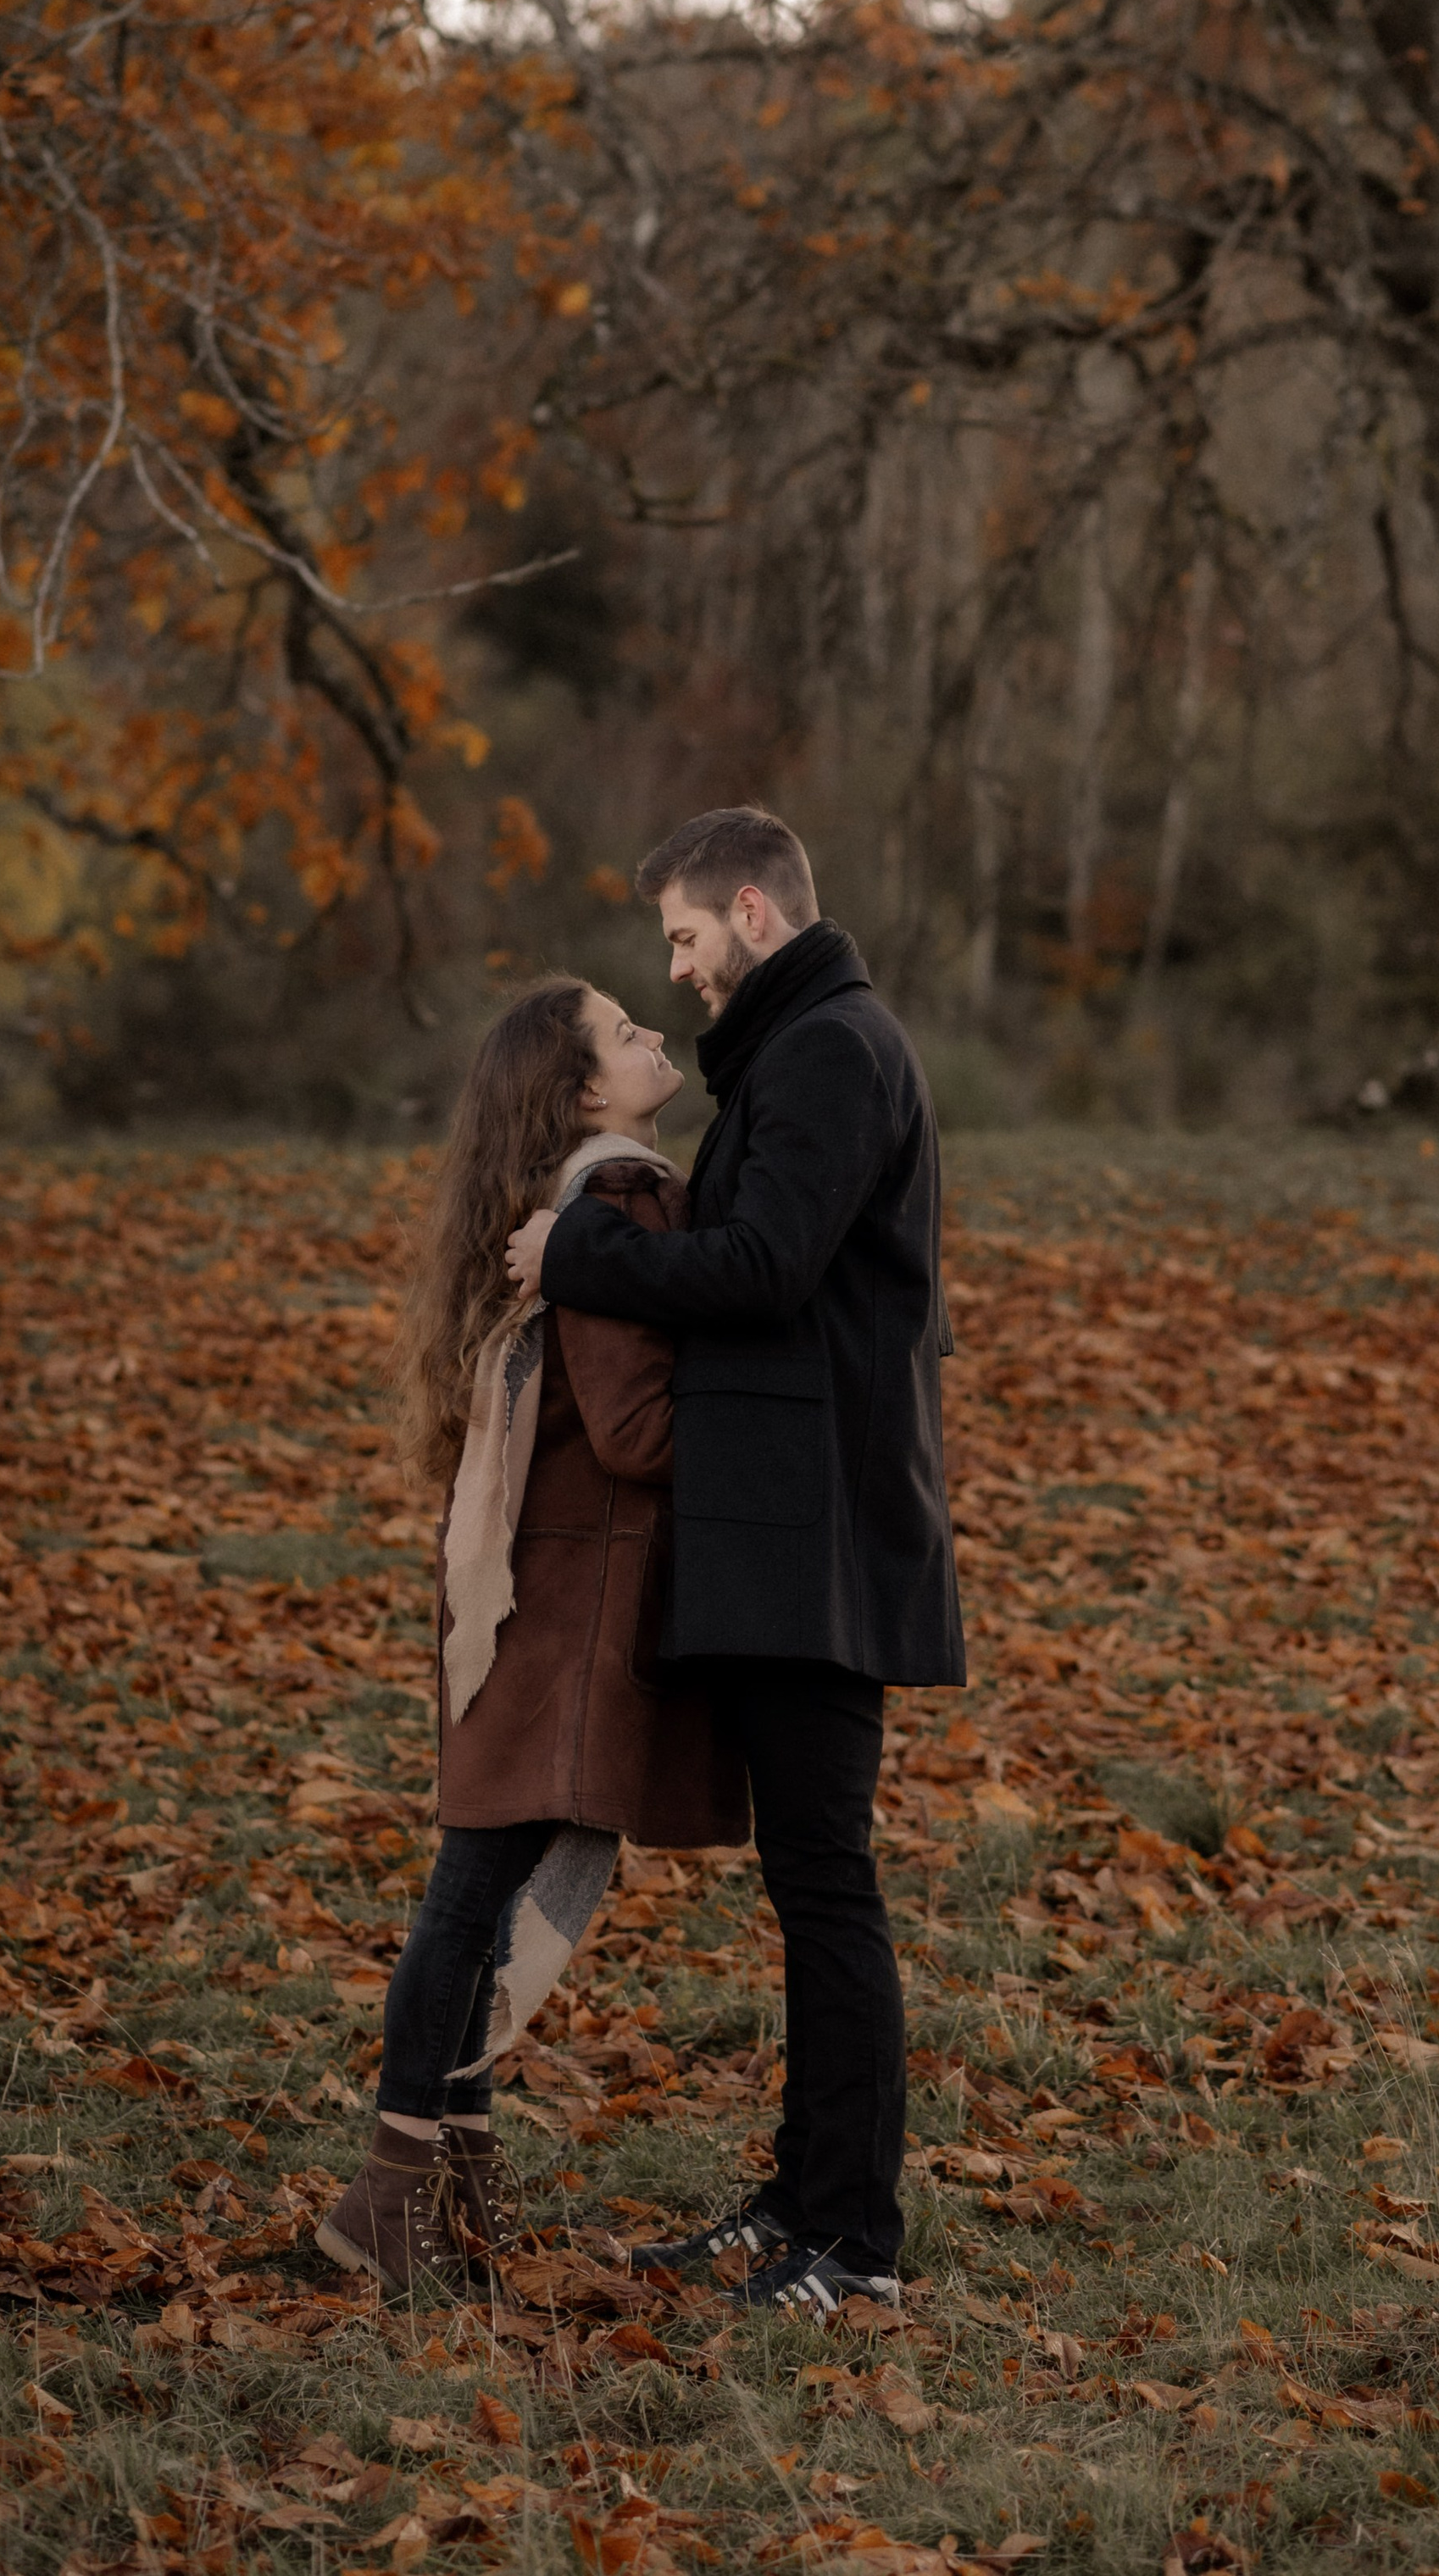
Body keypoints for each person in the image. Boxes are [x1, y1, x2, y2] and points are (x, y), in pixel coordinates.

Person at [505, 806, 964, 2318]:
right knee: (809, 1881)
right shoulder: (801, 1045)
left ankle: (856, 2244)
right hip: (794, 1533)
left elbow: (764, 1268)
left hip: (820, 1541)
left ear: (754, 910)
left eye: (689, 940)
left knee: (828, 1886)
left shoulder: (834, 1049)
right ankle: (804, 2202)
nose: (684, 972)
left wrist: (576, 1256)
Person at [318, 975, 747, 2298]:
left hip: (531, 1595)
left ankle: (443, 2181)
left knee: (481, 1888)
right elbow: (635, 1432)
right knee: (474, 1894)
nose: (656, 1037)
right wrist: (783, 1428)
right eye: (627, 1035)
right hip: (572, 1613)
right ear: (578, 1095)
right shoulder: (616, 1199)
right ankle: (386, 2200)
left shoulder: (567, 1200)